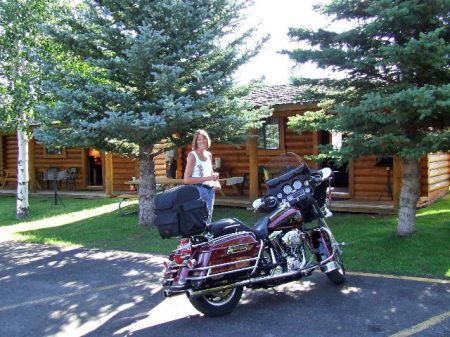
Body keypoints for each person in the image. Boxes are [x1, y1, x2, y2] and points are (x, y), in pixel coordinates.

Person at [184, 129, 221, 223]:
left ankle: (206, 238)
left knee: (208, 219)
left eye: (204, 138)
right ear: (195, 141)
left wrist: (215, 181)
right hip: (197, 191)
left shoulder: (209, 155)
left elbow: (210, 173)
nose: (201, 141)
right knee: (198, 220)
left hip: (210, 190)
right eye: (199, 139)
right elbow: (187, 180)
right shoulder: (192, 155)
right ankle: (196, 238)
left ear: (207, 140)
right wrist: (209, 178)